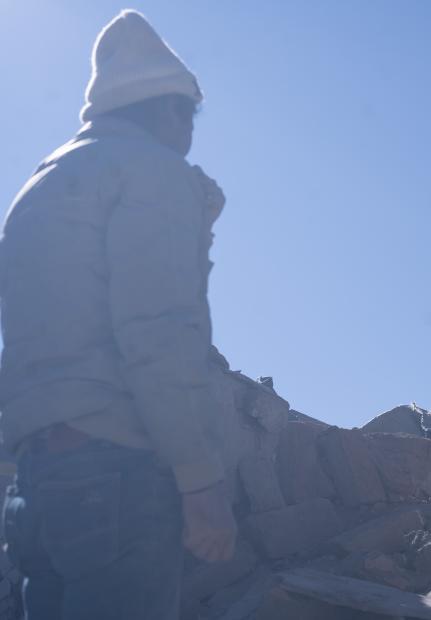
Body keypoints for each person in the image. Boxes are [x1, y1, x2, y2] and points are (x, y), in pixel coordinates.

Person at [0, 11, 236, 619]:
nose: (189, 135)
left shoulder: (42, 184)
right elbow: (159, 329)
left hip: (37, 483)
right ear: (170, 110)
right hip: (117, 475)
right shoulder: (153, 170)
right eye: (189, 117)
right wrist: (200, 480)